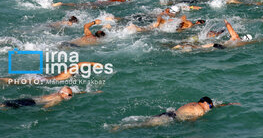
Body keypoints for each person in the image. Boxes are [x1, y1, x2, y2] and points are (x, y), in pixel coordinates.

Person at [112, 96, 240, 130]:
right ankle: (120, 127)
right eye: (210, 106)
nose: (210, 108)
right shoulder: (200, 110)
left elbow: (214, 106)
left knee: (145, 120)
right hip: (169, 119)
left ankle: (123, 124)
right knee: (143, 125)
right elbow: (193, 120)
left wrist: (228, 104)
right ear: (206, 104)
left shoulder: (194, 104)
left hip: (169, 113)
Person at [173, 19, 263, 50]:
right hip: (223, 49)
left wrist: (226, 22)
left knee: (198, 47)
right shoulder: (242, 43)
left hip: (218, 45)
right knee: (203, 49)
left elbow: (231, 30)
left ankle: (181, 46)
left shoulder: (236, 38)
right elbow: (257, 41)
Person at [0, 62, 104, 85]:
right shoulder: (68, 72)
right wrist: (94, 64)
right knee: (15, 82)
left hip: (43, 78)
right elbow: (80, 64)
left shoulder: (68, 74)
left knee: (17, 81)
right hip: (43, 80)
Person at [0, 86, 101, 109]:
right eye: (69, 95)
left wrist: (91, 92)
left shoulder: (57, 93)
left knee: (6, 104)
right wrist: (45, 111)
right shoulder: (59, 98)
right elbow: (48, 105)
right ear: (63, 94)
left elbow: (74, 93)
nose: (71, 97)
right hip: (31, 103)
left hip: (29, 99)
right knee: (6, 107)